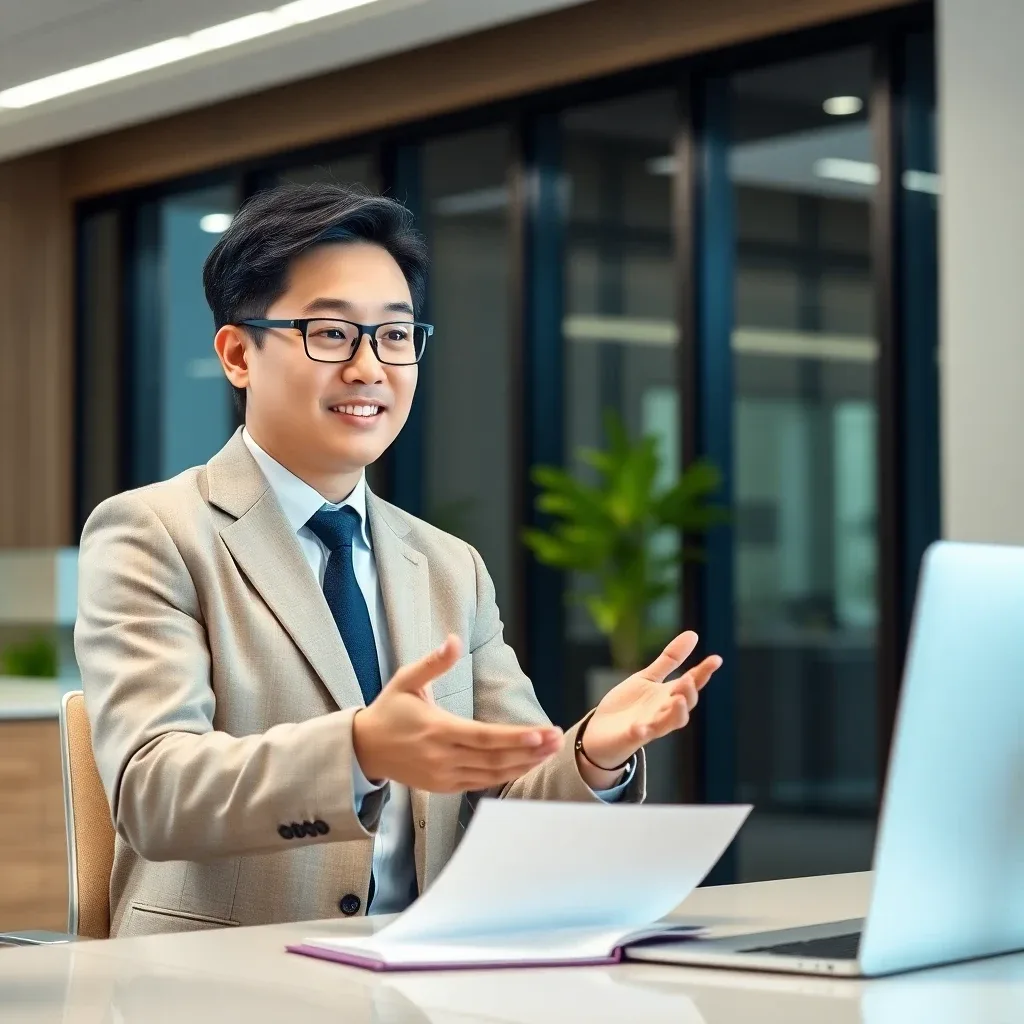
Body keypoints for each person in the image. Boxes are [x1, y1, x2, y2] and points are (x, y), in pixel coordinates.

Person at [75, 182, 722, 938]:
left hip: (424, 976)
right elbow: (157, 794)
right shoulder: (152, 532)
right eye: (330, 334)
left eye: (394, 335)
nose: (368, 368)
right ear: (237, 353)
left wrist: (593, 755)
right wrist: (358, 750)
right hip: (229, 978)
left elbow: (506, 798)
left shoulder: (449, 566)